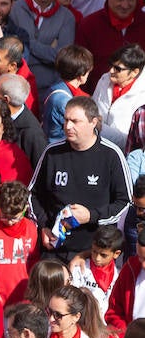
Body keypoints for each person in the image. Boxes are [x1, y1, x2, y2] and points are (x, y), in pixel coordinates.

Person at [32, 96, 132, 260]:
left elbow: (125, 203)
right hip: (54, 249)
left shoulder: (111, 155)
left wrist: (91, 216)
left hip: (93, 254)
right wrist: (43, 226)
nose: (68, 126)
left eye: (75, 121)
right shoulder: (52, 152)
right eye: (66, 120)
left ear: (93, 122)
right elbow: (33, 194)